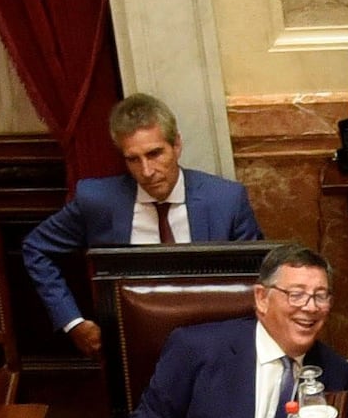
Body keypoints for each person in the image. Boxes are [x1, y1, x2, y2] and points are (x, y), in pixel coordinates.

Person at [122, 246, 348, 418]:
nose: (310, 307)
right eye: (296, 295)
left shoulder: (338, 373)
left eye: (320, 296)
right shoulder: (195, 349)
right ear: (261, 298)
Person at [22, 94, 253, 354]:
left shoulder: (226, 200)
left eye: (155, 154)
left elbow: (257, 277)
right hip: (132, 345)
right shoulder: (98, 200)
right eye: (133, 159)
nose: (146, 171)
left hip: (213, 343)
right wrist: (72, 321)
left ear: (176, 145)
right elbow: (35, 248)